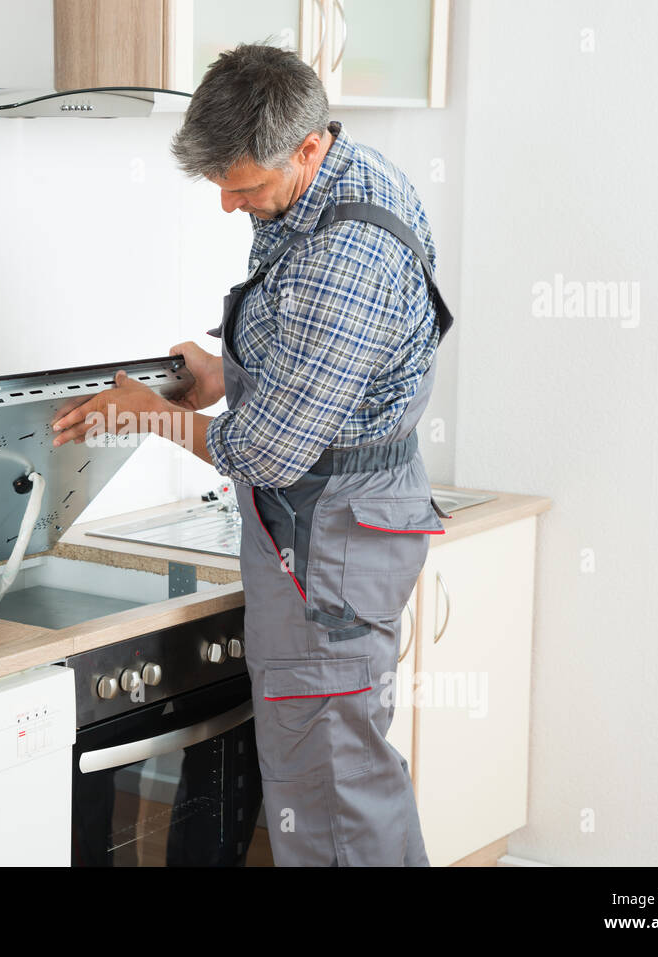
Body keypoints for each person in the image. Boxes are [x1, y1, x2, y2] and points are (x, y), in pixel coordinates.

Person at [52, 43, 454, 866]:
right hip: (341, 528)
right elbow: (314, 366)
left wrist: (150, 419)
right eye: (219, 185)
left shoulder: (347, 255)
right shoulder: (344, 177)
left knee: (333, 795)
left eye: (246, 186)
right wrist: (220, 376)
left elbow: (268, 451)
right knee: (348, 778)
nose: (230, 205)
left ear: (310, 145)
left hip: (328, 543)